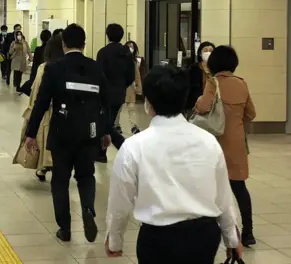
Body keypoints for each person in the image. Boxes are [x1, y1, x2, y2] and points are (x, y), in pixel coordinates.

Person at [105, 65, 242, 263]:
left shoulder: (134, 146)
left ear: (148, 104)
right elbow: (223, 197)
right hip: (203, 237)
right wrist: (231, 238)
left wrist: (115, 240)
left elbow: (121, 200)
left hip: (158, 240)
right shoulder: (208, 141)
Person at [26, 24, 112, 243]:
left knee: (60, 180)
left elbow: (41, 103)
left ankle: (65, 228)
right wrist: (105, 131)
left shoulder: (54, 68)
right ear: (84, 44)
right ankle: (88, 210)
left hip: (62, 133)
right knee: (86, 176)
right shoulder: (95, 68)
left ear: (63, 44)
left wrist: (31, 133)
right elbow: (106, 103)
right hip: (89, 133)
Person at [195, 45, 257, 247]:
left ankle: (213, 228)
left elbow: (203, 107)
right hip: (237, 143)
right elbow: (251, 113)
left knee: (212, 187)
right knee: (239, 188)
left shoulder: (214, 83)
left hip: (216, 142)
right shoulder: (242, 84)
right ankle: (248, 232)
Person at [14, 35, 64, 181]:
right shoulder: (69, 67)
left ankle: (43, 168)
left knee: (44, 141)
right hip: (66, 113)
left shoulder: (45, 67)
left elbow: (36, 93)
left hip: (46, 112)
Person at [95, 23, 135, 162]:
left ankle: (124, 146)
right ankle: (101, 153)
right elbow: (131, 75)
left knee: (105, 122)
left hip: (104, 93)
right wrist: (122, 85)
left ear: (107, 35)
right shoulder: (126, 53)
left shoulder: (103, 52)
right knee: (108, 122)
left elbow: (98, 74)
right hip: (119, 93)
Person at [114, 40, 143, 135]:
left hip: (130, 87)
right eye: (129, 46)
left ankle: (133, 126)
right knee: (118, 108)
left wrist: (138, 87)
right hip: (121, 86)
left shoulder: (133, 61)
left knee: (131, 107)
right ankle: (116, 125)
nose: (131, 48)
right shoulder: (121, 60)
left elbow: (137, 75)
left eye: (132, 46)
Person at [187, 41, 215, 113]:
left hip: (213, 106)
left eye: (211, 51)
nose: (208, 53)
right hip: (194, 105)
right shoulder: (193, 69)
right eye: (205, 50)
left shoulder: (216, 69)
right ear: (200, 53)